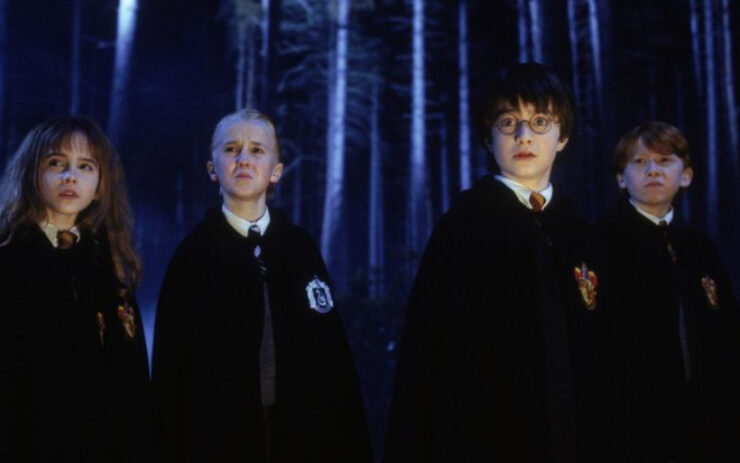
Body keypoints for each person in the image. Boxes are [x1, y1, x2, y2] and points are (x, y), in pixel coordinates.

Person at [383, 62, 623, 462]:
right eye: (508, 122)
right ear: (488, 137)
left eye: (540, 122)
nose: (523, 135)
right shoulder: (464, 229)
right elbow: (427, 360)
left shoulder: (582, 237)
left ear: (563, 136)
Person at [151, 109, 371, 462]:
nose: (243, 159)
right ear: (212, 169)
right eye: (231, 149)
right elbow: (172, 367)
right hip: (218, 435)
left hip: (299, 432)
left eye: (257, 150)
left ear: (276, 171)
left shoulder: (299, 248)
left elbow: (332, 355)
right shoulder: (194, 256)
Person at [0, 116, 152, 461]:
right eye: (56, 163)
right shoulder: (9, 261)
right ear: (31, 174)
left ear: (99, 186)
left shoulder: (109, 269)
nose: (70, 176)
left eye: (85, 166)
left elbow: (131, 385)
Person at [597, 121, 740, 461]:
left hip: (706, 421)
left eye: (664, 161)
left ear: (686, 175)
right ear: (621, 178)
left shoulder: (700, 247)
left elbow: (728, 333)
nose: (652, 171)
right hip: (634, 422)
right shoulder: (602, 242)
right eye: (639, 162)